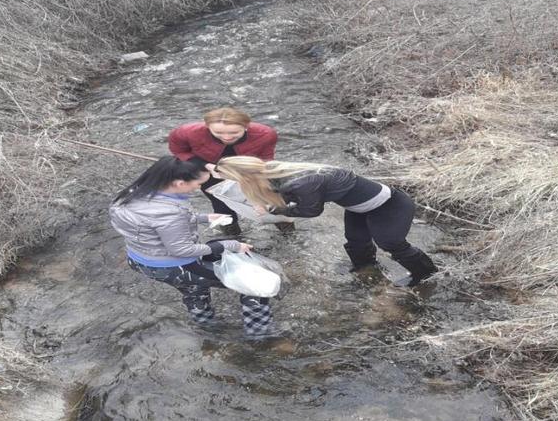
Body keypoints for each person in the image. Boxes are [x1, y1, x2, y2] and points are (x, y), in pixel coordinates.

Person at [109, 157, 280, 339]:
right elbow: (181, 250)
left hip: (141, 260)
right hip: (176, 266)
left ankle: (207, 328)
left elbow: (152, 224)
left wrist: (203, 218)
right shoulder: (170, 213)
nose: (199, 188)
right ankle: (260, 336)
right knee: (256, 285)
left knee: (194, 287)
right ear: (179, 183)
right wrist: (231, 245)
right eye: (198, 183)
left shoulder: (132, 195)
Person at [211, 157, 438, 286]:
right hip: (358, 207)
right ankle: (366, 269)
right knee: (356, 241)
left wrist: (276, 209)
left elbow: (311, 211)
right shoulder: (271, 169)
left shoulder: (300, 183)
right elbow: (286, 194)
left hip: (389, 205)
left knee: (391, 243)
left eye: (233, 179)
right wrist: (271, 204)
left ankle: (426, 274)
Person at [168, 107, 280, 235]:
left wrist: (254, 188)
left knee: (271, 202)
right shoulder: (186, 132)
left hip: (248, 168)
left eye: (234, 132)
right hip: (210, 169)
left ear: (246, 126)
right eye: (218, 132)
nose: (226, 137)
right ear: (207, 126)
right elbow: (179, 151)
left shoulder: (265, 134)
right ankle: (233, 239)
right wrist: (206, 166)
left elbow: (265, 160)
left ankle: (287, 233)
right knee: (221, 204)